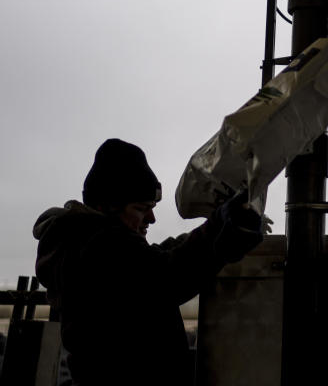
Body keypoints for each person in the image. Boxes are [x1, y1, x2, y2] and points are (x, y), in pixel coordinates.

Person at [34, 138, 264, 386]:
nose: (152, 218)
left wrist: (213, 229)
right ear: (107, 206)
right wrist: (220, 230)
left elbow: (153, 259)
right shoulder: (99, 245)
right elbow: (165, 276)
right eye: (141, 208)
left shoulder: (84, 242)